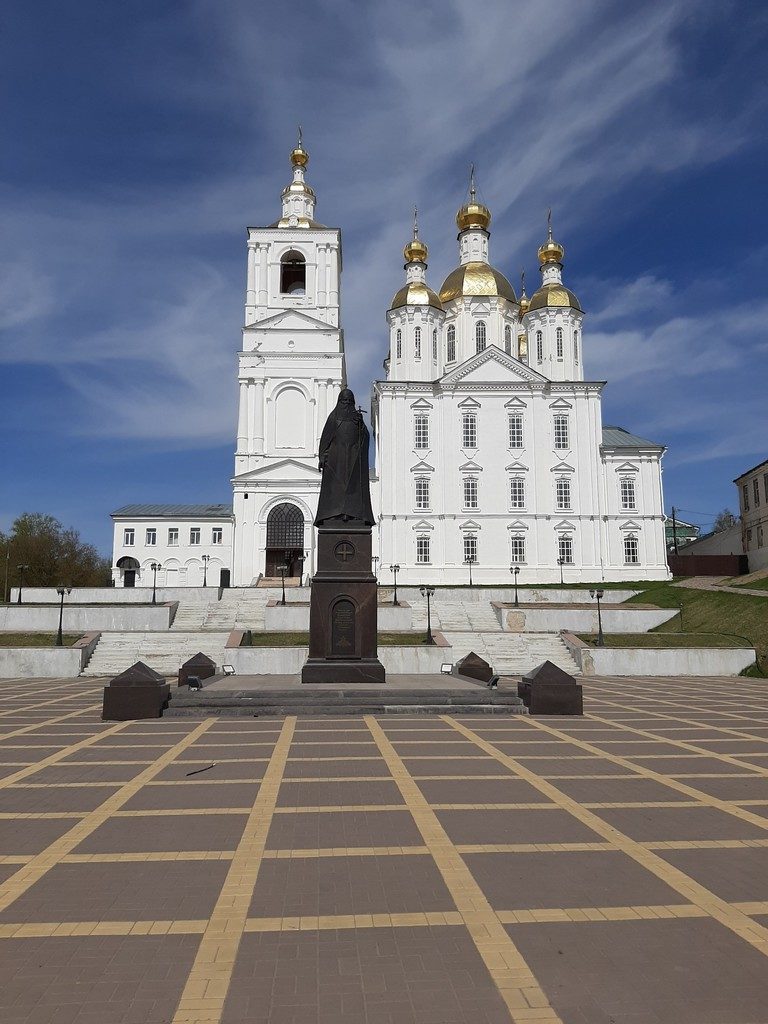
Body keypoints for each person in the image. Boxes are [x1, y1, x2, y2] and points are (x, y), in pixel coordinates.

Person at [315, 388, 375, 527]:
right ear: (339, 402)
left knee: (353, 487)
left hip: (353, 459)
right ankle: (334, 514)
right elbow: (326, 438)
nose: (346, 404)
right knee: (336, 487)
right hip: (336, 460)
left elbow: (365, 438)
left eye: (349, 401)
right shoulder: (333, 417)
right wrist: (322, 456)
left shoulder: (356, 418)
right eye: (344, 401)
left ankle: (353, 513)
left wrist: (360, 425)